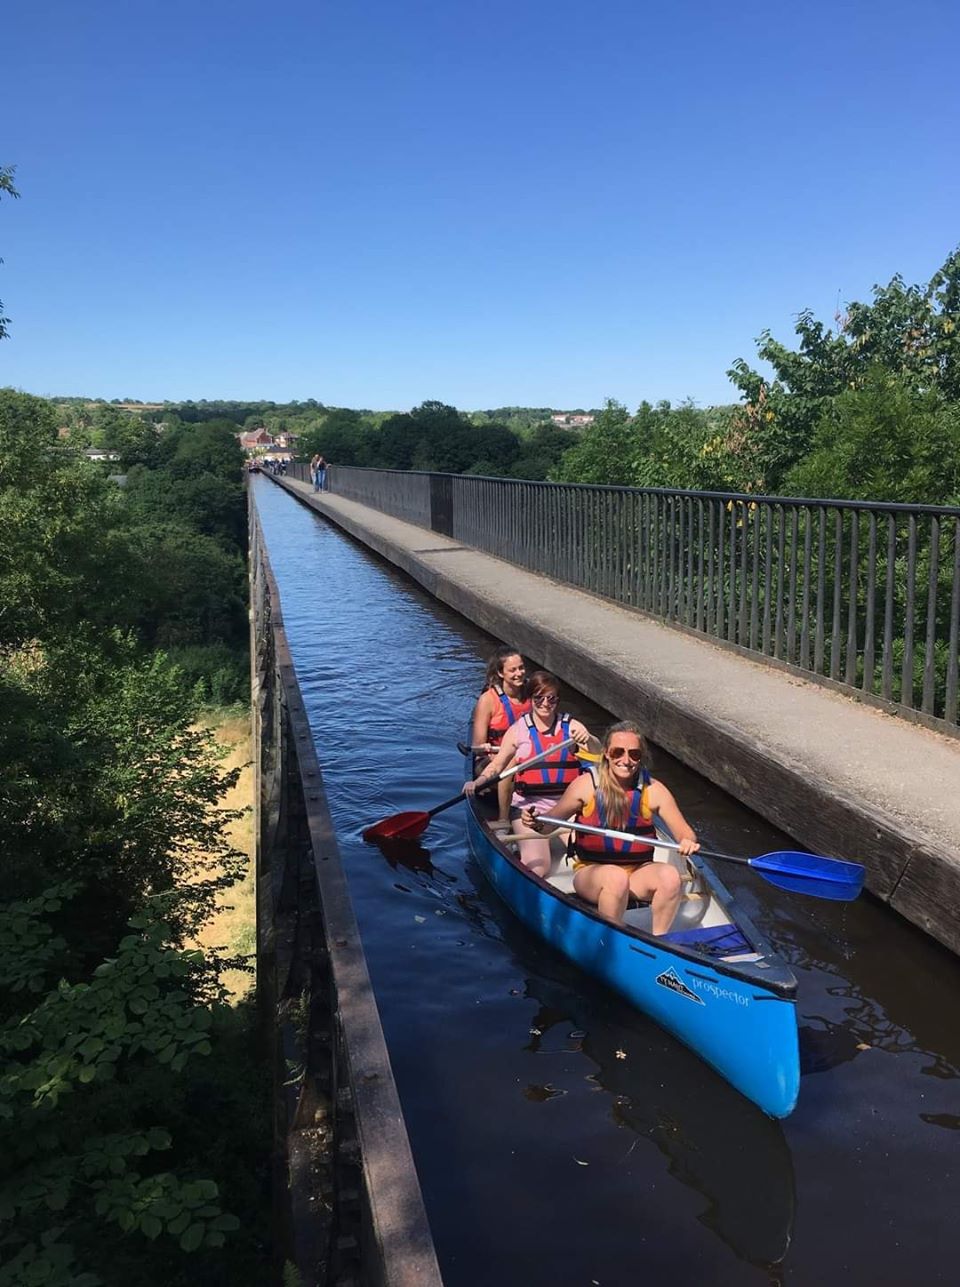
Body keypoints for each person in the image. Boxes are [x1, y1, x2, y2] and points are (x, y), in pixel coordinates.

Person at [521, 720, 699, 934]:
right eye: (618, 752)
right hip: (591, 873)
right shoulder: (586, 786)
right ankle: (612, 936)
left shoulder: (654, 789)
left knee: (670, 877)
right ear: (606, 753)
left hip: (638, 872)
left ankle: (660, 940)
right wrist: (535, 822)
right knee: (616, 878)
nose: (626, 760)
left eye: (634, 754)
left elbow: (685, 832)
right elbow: (548, 824)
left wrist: (688, 841)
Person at [466, 671, 594, 876]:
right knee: (539, 867)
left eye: (551, 698)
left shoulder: (572, 727)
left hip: (566, 807)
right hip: (529, 809)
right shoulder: (518, 731)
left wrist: (588, 738)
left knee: (589, 854)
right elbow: (497, 766)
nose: (545, 703)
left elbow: (596, 752)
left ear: (557, 700)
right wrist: (478, 781)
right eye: (539, 698)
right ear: (530, 699)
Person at [470, 646, 531, 755]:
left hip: (529, 754)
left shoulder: (533, 692)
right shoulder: (487, 700)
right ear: (500, 673)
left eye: (521, 668)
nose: (519, 673)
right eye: (513, 670)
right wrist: (485, 749)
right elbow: (478, 745)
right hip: (498, 754)